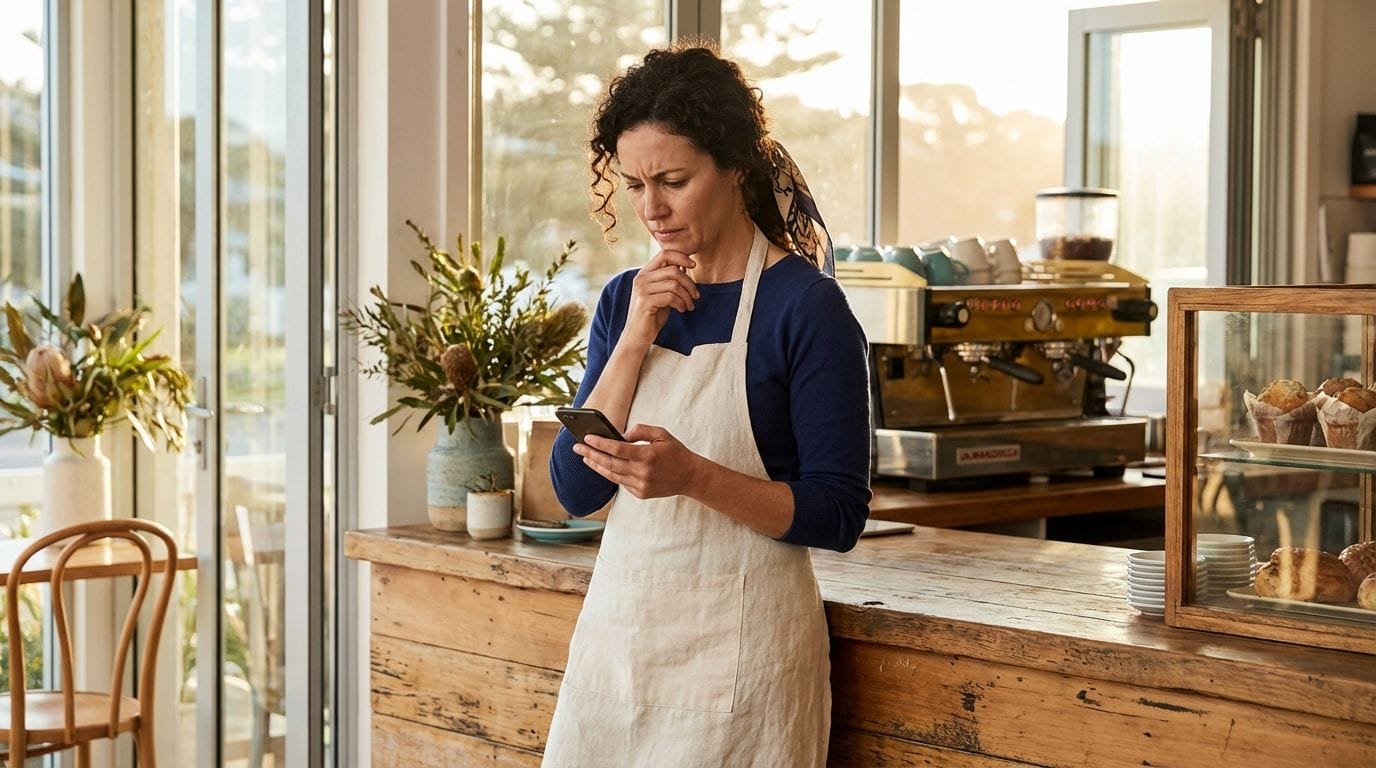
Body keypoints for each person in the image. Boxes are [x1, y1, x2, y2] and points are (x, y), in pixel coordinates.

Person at [543, 40, 871, 767]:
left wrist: (693, 477)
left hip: (745, 669)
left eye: (673, 180)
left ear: (734, 167)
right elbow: (575, 490)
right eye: (633, 184)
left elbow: (838, 515)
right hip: (619, 654)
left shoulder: (806, 308)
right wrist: (633, 339)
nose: (650, 208)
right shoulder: (624, 300)